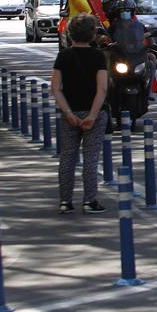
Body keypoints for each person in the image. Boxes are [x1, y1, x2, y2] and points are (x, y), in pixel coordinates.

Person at [52, 14, 109, 214]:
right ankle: (90, 200)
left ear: (70, 33)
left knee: (67, 157)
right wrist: (92, 115)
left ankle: (65, 201)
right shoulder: (98, 56)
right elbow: (102, 89)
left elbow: (56, 88)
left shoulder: (64, 56)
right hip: (94, 113)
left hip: (70, 112)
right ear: (93, 34)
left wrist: (67, 112)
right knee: (91, 158)